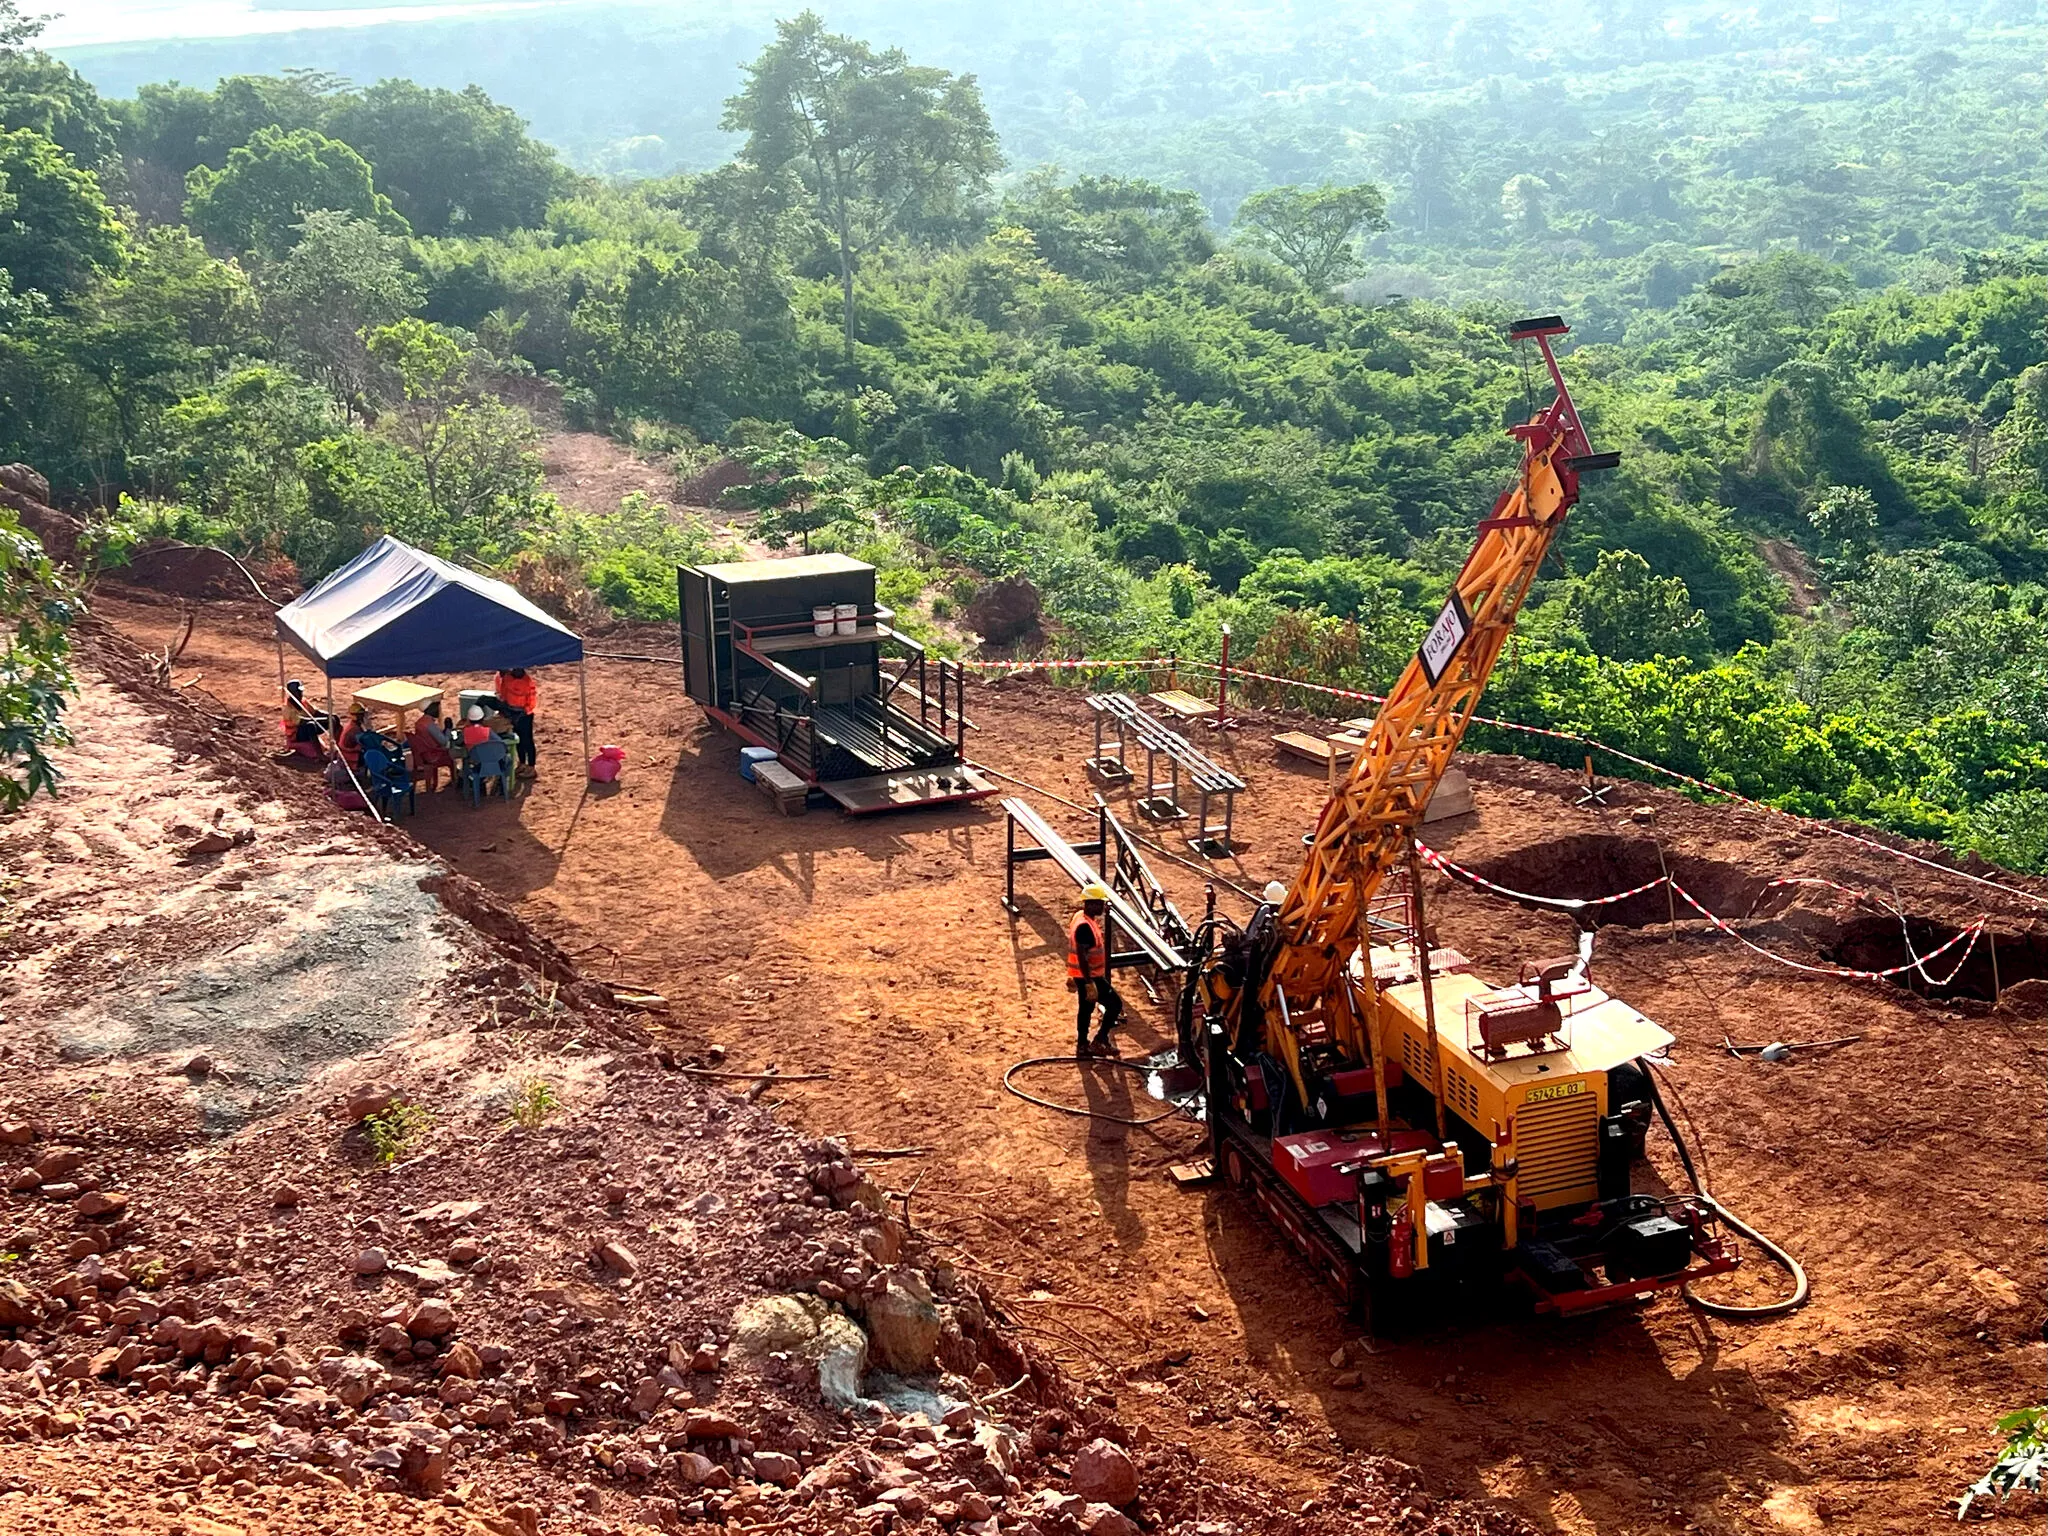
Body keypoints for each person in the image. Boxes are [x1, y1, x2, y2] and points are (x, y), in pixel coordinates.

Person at [1068, 881, 1124, 1058]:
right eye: (1100, 903)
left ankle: (1084, 1045)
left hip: (1086, 975)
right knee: (1115, 1005)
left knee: (1086, 1009)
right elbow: (1082, 956)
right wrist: (1088, 983)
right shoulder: (1085, 927)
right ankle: (1098, 1040)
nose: (1102, 906)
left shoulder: (1082, 917)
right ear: (1090, 904)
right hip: (1090, 976)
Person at [493, 666, 538, 777]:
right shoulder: (506, 679)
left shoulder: (528, 683)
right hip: (511, 712)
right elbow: (503, 694)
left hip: (524, 715)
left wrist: (524, 712)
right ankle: (522, 763)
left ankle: (531, 767)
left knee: (527, 740)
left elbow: (532, 702)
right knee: (517, 740)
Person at [408, 706, 455, 789]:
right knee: (453, 752)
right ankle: (455, 779)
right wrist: (448, 729)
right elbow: (444, 742)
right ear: (430, 710)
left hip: (422, 753)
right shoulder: (429, 725)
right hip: (433, 755)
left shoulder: (420, 722)